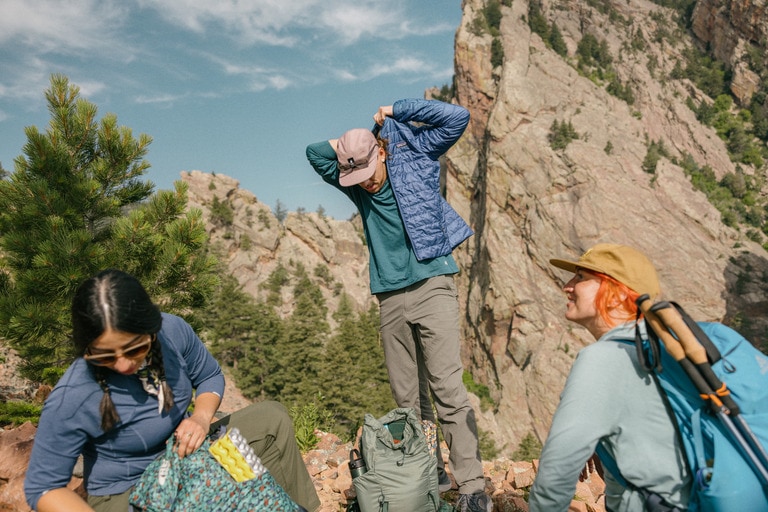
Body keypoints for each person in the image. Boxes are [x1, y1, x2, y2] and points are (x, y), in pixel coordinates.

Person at [306, 98, 491, 512]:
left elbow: (457, 117)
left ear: (384, 151)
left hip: (432, 285)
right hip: (389, 296)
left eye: (369, 171)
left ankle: (473, 486)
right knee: (407, 398)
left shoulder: (416, 157)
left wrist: (393, 112)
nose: (367, 183)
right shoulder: (357, 184)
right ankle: (430, 474)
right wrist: (352, 149)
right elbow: (314, 154)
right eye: (358, 177)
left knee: (447, 388)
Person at [24, 269, 320, 512]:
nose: (124, 364)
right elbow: (43, 488)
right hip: (128, 491)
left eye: (134, 348)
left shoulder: (172, 332)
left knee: (271, 419)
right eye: (105, 356)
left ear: (150, 329)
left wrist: (202, 418)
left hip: (189, 455)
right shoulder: (73, 395)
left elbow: (209, 376)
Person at [529, 243, 692, 511]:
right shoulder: (663, 351)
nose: (567, 286)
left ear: (616, 295)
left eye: (581, 278)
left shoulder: (604, 357)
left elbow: (556, 472)